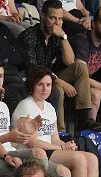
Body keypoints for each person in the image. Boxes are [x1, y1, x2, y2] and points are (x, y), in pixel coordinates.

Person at [12, 66, 97, 177]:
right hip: (33, 152)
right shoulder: (26, 106)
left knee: (92, 158)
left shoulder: (50, 108)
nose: (45, 89)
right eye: (40, 85)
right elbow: (30, 141)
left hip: (50, 149)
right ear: (32, 85)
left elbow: (55, 138)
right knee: (80, 159)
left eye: (48, 85)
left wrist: (65, 145)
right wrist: (59, 148)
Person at [18, 0, 95, 130]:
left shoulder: (57, 36)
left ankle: (84, 121)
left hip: (49, 77)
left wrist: (63, 37)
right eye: (52, 18)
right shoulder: (30, 35)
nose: (57, 23)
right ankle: (59, 130)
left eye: (60, 19)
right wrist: (59, 82)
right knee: (57, 89)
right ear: (42, 15)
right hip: (30, 79)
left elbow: (70, 61)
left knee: (80, 67)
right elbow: (34, 69)